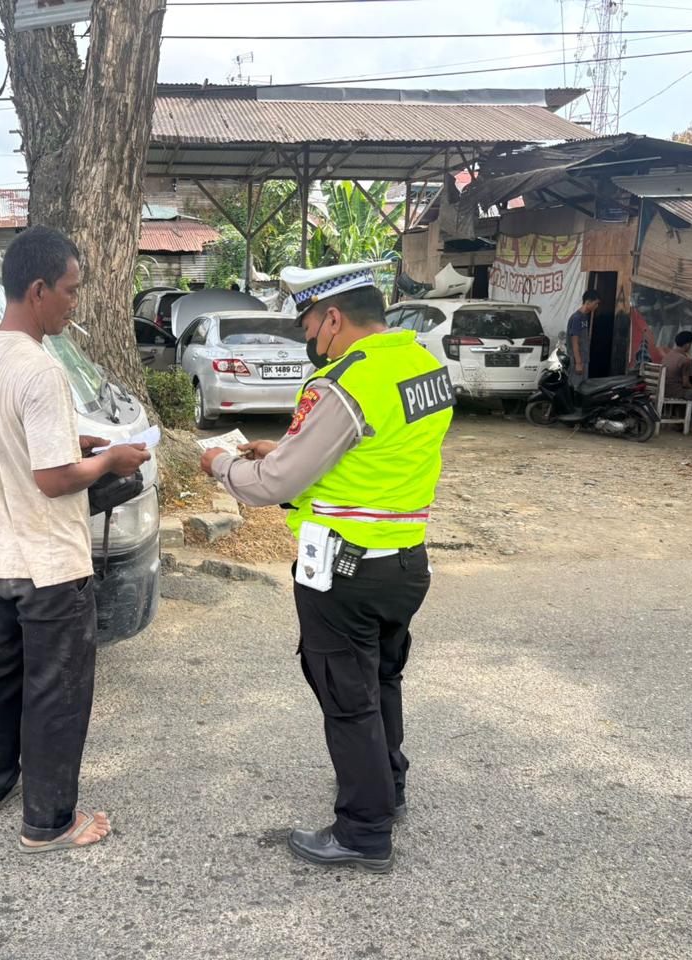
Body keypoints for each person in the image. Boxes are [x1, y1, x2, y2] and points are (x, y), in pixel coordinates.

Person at [199, 261, 454, 873]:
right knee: (382, 679)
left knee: (347, 698)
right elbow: (373, 451)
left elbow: (273, 485)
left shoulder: (346, 382)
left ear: (334, 319)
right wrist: (285, 449)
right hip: (405, 561)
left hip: (343, 570)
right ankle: (388, 786)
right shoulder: (422, 364)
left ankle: (364, 832)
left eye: (310, 326)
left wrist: (220, 465)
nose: (309, 339)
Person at [0, 225, 150, 854]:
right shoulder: (40, 369)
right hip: (48, 564)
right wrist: (109, 460)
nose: (74, 302)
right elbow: (52, 479)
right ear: (38, 289)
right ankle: (50, 822)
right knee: (56, 694)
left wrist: (78, 442)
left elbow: (10, 443)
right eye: (70, 290)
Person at [566, 290, 601, 389]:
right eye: (596, 303)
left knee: (583, 389)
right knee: (575, 389)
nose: (597, 306)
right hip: (577, 361)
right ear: (588, 302)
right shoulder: (576, 318)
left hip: (584, 360)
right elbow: (575, 342)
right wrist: (578, 363)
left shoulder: (584, 317)